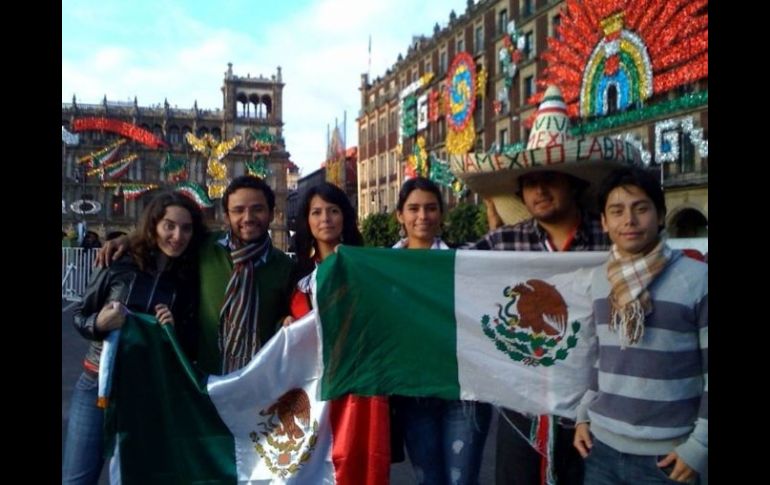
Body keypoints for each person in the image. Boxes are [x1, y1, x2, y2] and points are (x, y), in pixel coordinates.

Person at [461, 85, 640, 485]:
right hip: (521, 408)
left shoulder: (611, 239)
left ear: (574, 182)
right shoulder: (503, 243)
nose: (540, 191)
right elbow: (447, 277)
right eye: (530, 182)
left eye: (551, 179)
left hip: (596, 405)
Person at [573, 167, 707, 484]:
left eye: (641, 208)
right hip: (601, 448)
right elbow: (600, 357)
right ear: (604, 222)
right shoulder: (601, 280)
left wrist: (699, 445)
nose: (629, 221)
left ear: (660, 215)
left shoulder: (698, 279)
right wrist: (583, 414)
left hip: (669, 457)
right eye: (616, 211)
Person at [62, 191, 205, 485]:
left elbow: (189, 346)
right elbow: (80, 314)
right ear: (153, 225)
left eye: (186, 228)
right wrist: (98, 323)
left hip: (148, 392)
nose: (177, 236)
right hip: (97, 386)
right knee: (77, 478)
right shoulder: (117, 261)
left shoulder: (188, 278)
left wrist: (173, 329)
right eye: (169, 225)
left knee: (136, 477)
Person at [97, 175, 295, 375]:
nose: (248, 217)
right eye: (238, 210)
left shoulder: (285, 266)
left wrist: (285, 322)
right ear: (226, 216)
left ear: (271, 213)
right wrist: (127, 239)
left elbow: (283, 316)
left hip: (257, 376)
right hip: (204, 376)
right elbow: (166, 237)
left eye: (258, 209)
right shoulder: (206, 246)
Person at [282, 182, 390, 485]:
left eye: (333, 210)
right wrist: (287, 320)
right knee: (314, 467)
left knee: (359, 464)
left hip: (360, 385)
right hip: (312, 388)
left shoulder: (365, 265)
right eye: (316, 212)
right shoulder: (298, 271)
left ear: (345, 217)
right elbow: (286, 319)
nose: (325, 218)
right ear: (307, 221)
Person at [392, 177, 492, 484]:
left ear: (442, 213)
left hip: (464, 393)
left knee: (462, 480)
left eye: (431, 208)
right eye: (414, 208)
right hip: (413, 394)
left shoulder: (464, 260)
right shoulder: (383, 266)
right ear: (400, 215)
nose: (422, 216)